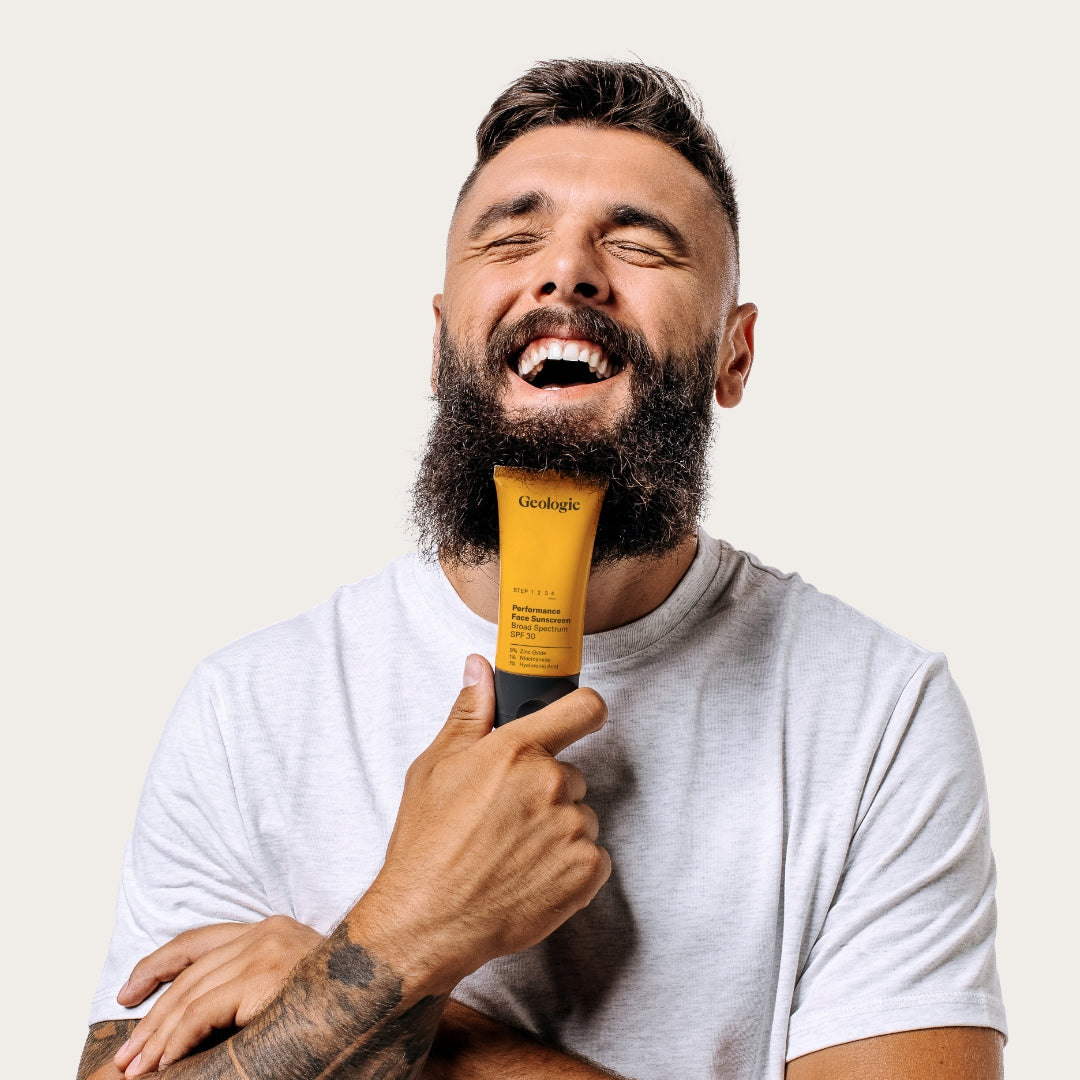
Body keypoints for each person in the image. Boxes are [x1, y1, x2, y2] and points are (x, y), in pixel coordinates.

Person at [77, 59, 1007, 1080]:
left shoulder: (875, 710)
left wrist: (381, 982)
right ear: (441, 343)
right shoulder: (250, 704)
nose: (567, 272)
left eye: (638, 243)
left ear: (734, 355)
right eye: (515, 238)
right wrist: (400, 937)